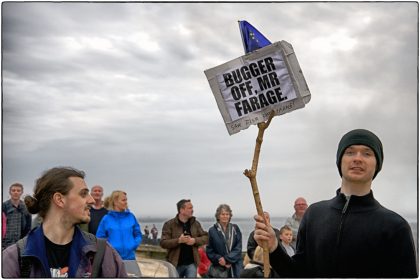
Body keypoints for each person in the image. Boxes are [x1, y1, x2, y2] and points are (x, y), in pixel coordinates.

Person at [253, 129, 418, 277]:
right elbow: (298, 273)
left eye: (367, 153)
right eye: (350, 152)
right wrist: (274, 247)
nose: (358, 158)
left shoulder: (395, 227)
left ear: (377, 165)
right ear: (340, 161)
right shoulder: (314, 214)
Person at [2, 167, 127, 277]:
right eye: (83, 194)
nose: (91, 200)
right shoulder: (15, 259)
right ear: (59, 199)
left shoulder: (103, 254)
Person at [160, 199, 208, 278]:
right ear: (181, 210)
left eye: (192, 208)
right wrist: (178, 240)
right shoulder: (169, 224)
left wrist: (194, 240)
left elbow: (206, 237)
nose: (192, 210)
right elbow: (163, 243)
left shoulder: (195, 223)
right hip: (174, 264)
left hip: (192, 264)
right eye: (190, 208)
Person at [96, 190, 142, 260]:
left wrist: (133, 245)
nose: (126, 202)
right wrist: (109, 250)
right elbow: (100, 238)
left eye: (126, 200)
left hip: (130, 258)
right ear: (115, 202)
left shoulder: (131, 216)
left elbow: (138, 234)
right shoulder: (106, 219)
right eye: (123, 200)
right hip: (112, 259)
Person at [206, 204, 242, 278]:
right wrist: (219, 259)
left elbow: (238, 248)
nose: (225, 216)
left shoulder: (235, 229)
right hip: (219, 268)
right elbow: (209, 250)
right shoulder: (212, 231)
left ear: (230, 216)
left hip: (235, 267)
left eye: (227, 214)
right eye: (223, 214)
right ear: (218, 216)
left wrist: (227, 260)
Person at [2, 183, 32, 250]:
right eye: (13, 190)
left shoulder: (26, 208)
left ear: (22, 192)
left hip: (20, 244)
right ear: (10, 192)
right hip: (5, 244)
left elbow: (28, 227)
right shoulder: (4, 206)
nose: (16, 192)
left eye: (18, 191)